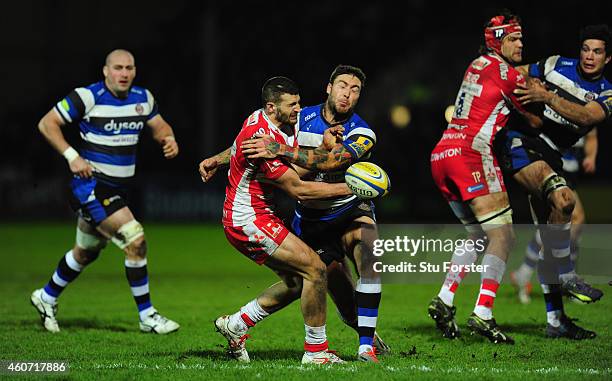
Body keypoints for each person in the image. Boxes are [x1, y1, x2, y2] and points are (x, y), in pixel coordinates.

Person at [208, 65, 388, 362]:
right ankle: (317, 352)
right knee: (317, 274)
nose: (348, 93)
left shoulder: (359, 131)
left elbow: (319, 162)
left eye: (355, 89)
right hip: (272, 218)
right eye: (343, 85)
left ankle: (237, 324)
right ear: (329, 87)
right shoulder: (285, 126)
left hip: (345, 211)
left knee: (325, 270)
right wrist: (358, 186)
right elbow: (300, 188)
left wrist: (222, 158)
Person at [31, 49, 180, 334]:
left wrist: (169, 139)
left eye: (129, 68)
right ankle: (148, 316)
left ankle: (46, 296)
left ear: (135, 71)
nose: (124, 73)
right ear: (105, 71)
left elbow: (160, 126)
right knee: (135, 240)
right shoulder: (87, 97)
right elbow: (47, 124)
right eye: (118, 68)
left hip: (117, 189)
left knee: (86, 252)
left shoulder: (142, 98)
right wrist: (72, 155)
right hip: (91, 186)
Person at [427, 11, 543, 344]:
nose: (520, 43)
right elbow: (535, 121)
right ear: (497, 42)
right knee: (504, 235)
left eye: (521, 37)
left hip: (442, 152)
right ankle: (484, 312)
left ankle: (446, 298)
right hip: (471, 152)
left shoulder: (477, 64)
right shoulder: (507, 73)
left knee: (479, 235)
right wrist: (541, 93)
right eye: (513, 38)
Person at [493, 24, 612, 339]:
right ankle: (567, 273)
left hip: (551, 157)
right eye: (586, 48)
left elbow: (587, 117)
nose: (589, 56)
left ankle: (556, 320)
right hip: (521, 143)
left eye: (597, 51)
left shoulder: (607, 93)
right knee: (565, 202)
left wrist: (545, 95)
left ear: (608, 58)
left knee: (551, 231)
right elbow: (511, 72)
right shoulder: (555, 64)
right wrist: (517, 79)